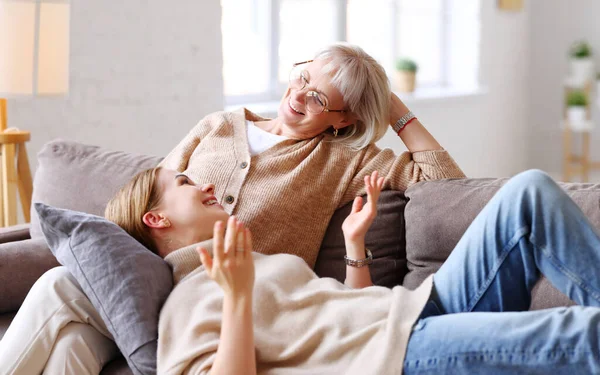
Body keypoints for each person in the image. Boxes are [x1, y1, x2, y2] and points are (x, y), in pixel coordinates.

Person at [0, 43, 464, 374]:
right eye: (303, 77)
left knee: (63, 295)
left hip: (223, 303)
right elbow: (151, 194)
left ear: (344, 118)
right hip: (163, 282)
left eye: (319, 97)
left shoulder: (347, 160)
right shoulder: (220, 124)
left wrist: (396, 112)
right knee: (72, 340)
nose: (300, 95)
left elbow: (447, 185)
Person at [111, 167, 600, 374]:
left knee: (529, 192)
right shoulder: (186, 301)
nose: (206, 184)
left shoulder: (245, 261)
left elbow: (347, 312)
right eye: (183, 182)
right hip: (395, 358)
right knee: (585, 333)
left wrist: (354, 244)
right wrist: (237, 297)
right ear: (157, 218)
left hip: (408, 313)